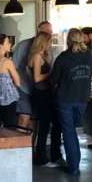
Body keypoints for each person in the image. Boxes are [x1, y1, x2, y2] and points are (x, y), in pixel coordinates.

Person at [50, 28, 92, 175]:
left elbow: (54, 79)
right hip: (82, 98)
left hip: (65, 99)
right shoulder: (88, 56)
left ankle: (73, 167)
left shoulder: (63, 57)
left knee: (68, 131)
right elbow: (90, 73)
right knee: (71, 130)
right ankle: (74, 163)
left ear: (68, 40)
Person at [27, 31, 63, 167]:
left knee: (52, 123)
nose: (50, 44)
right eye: (49, 42)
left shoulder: (44, 55)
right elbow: (37, 78)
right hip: (40, 94)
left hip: (46, 93)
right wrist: (51, 73)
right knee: (44, 126)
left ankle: (52, 155)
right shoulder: (37, 56)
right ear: (43, 42)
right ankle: (42, 158)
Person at [12, 21, 54, 130]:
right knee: (24, 120)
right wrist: (16, 84)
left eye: (51, 32)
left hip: (38, 91)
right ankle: (21, 141)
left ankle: (31, 142)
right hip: (23, 89)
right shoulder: (23, 45)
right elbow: (13, 67)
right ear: (39, 30)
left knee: (34, 122)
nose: (49, 34)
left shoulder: (48, 49)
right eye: (47, 31)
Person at [0, 33, 20, 127]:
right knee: (8, 128)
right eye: (8, 42)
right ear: (1, 45)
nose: (10, 44)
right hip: (8, 97)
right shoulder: (7, 62)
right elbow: (18, 83)